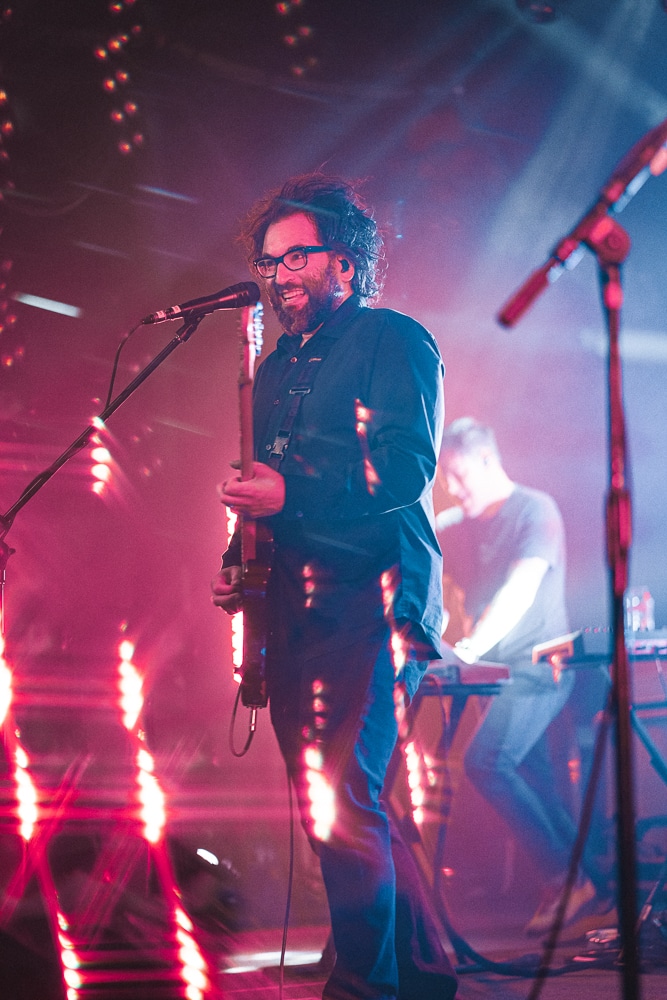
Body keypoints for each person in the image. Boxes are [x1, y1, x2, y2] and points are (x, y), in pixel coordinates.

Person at [211, 174, 457, 1000]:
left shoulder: (393, 339)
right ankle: (418, 974)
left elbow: (404, 468)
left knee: (345, 800)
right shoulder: (275, 366)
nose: (277, 274)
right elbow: (265, 488)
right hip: (296, 603)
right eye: (268, 261)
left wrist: (292, 492)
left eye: (296, 257)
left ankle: (363, 987)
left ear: (344, 263)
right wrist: (238, 560)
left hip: (375, 599)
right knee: (333, 803)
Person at [437, 416, 611, 936]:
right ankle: (588, 885)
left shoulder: (535, 510)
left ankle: (564, 880)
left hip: (538, 670)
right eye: (446, 478)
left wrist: (468, 648)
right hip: (491, 677)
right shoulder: (453, 525)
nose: (453, 487)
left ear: (488, 460)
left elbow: (521, 588)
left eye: (460, 475)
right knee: (532, 780)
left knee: (487, 762)